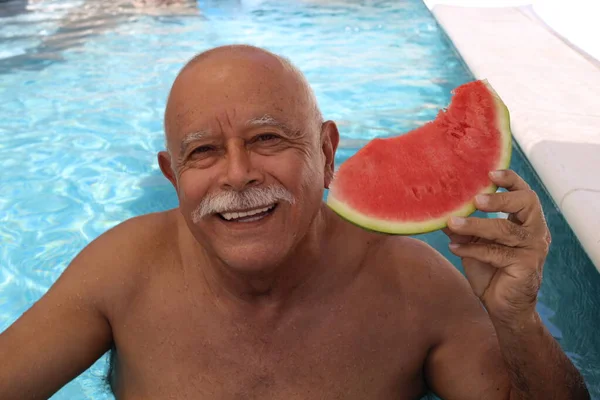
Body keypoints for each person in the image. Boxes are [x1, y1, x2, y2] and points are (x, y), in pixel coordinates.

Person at [0, 44, 590, 400]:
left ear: (328, 151)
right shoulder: (120, 271)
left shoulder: (415, 287)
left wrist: (517, 318)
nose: (237, 175)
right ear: (171, 174)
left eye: (267, 138)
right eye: (202, 152)